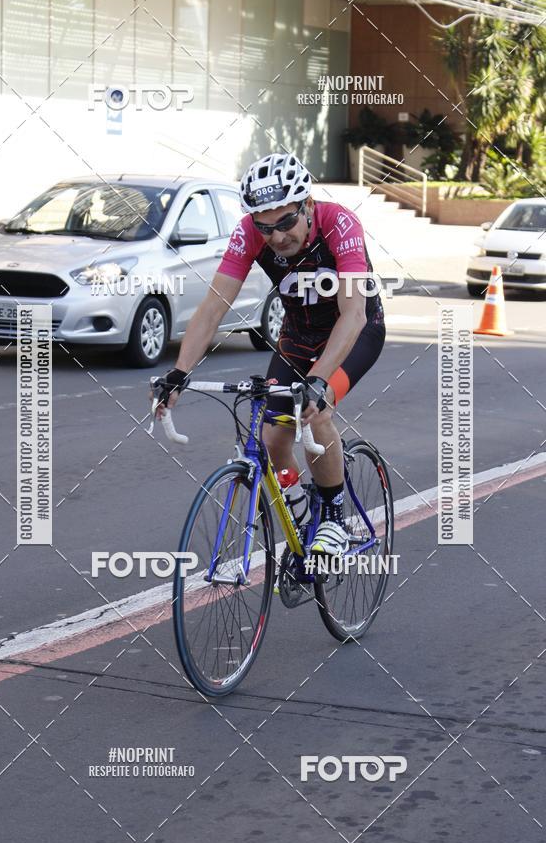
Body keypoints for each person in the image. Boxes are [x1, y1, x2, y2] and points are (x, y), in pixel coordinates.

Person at [151, 152, 385, 559]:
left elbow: (353, 314)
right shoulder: (247, 234)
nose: (276, 237)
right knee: (273, 437)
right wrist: (179, 372)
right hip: (298, 337)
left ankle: (334, 516)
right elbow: (213, 307)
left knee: (317, 411)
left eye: (286, 222)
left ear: (307, 205)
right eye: (265, 226)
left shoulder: (339, 223)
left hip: (355, 333)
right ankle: (299, 511)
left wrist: (319, 380)